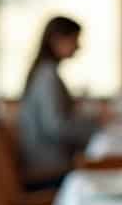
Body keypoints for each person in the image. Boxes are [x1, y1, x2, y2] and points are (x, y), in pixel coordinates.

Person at [16, 16, 101, 188]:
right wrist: (96, 126)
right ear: (57, 40)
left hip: (49, 161)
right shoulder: (48, 76)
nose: (78, 46)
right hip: (48, 168)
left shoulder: (45, 72)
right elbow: (56, 126)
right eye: (75, 40)